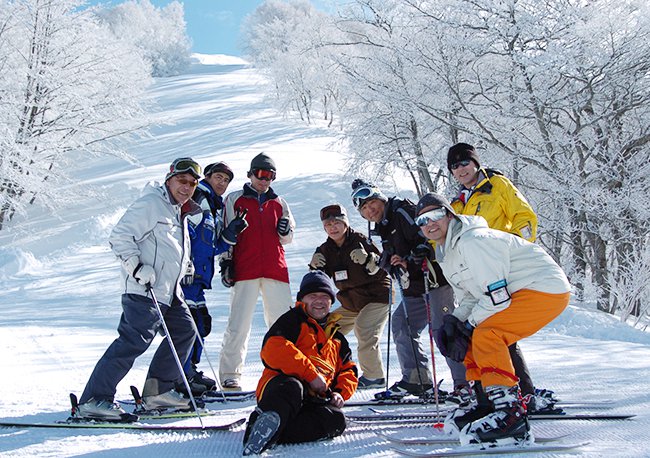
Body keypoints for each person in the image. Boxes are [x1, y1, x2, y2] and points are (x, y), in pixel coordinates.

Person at [415, 192, 570, 444]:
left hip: (543, 288)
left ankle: (511, 416)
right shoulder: (448, 253)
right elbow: (471, 296)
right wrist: (454, 322)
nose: (429, 224)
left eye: (435, 215)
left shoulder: (473, 241)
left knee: (488, 334)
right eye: (422, 221)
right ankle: (486, 403)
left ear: (449, 214)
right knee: (470, 338)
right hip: (517, 290)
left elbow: (496, 297)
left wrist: (468, 324)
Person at [76, 157, 204, 420]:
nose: (187, 187)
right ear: (169, 179)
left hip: (169, 291)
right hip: (144, 289)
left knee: (185, 331)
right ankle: (94, 399)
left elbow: (167, 248)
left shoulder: (179, 211)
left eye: (192, 183)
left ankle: (158, 391)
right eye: (182, 180)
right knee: (134, 340)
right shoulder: (151, 204)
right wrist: (136, 268)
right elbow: (120, 237)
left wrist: (185, 267)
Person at [446, 142, 550, 411]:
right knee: (489, 332)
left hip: (504, 267)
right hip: (480, 275)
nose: (460, 169)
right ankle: (498, 392)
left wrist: (517, 248)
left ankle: (522, 394)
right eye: (454, 166)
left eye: (464, 163)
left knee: (498, 331)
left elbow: (525, 217)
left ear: (475, 163)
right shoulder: (458, 202)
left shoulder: (498, 186)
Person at [350, 179, 467, 398]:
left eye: (371, 203)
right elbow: (394, 253)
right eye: (364, 208)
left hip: (433, 281)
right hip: (412, 286)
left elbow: (427, 237)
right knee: (402, 325)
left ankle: (465, 383)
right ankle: (416, 379)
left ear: (380, 198)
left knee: (443, 330)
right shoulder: (382, 226)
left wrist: (412, 256)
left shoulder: (401, 210)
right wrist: (391, 262)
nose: (369, 210)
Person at [242, 270, 358, 455]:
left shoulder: (338, 339)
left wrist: (339, 393)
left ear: (331, 301)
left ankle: (267, 431)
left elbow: (349, 371)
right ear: (302, 299)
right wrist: (310, 375)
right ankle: (261, 428)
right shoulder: (293, 321)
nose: (319, 301)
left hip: (313, 401)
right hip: (281, 390)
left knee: (336, 421)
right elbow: (273, 348)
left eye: (324, 296)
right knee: (293, 386)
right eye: (313, 296)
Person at [218, 152, 295, 390]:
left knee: (283, 322)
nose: (264, 180)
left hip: (275, 268)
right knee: (238, 323)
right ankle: (231, 374)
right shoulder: (235, 200)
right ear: (251, 174)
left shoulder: (279, 202)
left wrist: (284, 230)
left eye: (269, 175)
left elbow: (288, 237)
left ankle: (285, 368)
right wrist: (226, 263)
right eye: (260, 174)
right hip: (246, 268)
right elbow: (226, 234)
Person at [180, 161, 248, 395]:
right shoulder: (198, 198)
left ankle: (190, 369)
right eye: (218, 177)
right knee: (190, 325)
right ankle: (181, 375)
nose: (222, 183)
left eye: (227, 180)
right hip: (186, 276)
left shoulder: (213, 206)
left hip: (198, 279)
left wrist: (230, 235)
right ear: (207, 177)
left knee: (201, 324)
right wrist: (184, 265)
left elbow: (209, 246)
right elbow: (183, 233)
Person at [309, 203, 390, 389]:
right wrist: (314, 267)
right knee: (324, 329)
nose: (332, 228)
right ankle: (322, 371)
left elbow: (384, 270)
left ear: (345, 223)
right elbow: (317, 282)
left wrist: (369, 260)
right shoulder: (324, 250)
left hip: (376, 297)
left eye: (336, 223)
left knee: (364, 329)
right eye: (328, 225)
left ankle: (374, 377)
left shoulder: (360, 241)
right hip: (351, 302)